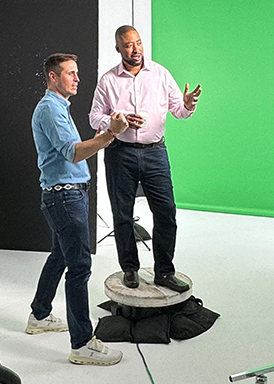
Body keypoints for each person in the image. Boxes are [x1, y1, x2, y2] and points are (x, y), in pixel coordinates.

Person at [28, 53, 128, 365]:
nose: (77, 78)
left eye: (77, 73)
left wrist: (108, 132)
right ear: (53, 78)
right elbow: (73, 153)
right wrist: (110, 133)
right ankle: (82, 344)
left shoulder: (58, 107)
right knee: (80, 267)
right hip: (65, 198)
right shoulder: (50, 110)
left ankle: (39, 316)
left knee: (60, 256)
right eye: (71, 73)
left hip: (65, 196)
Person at [89, 25, 201, 291]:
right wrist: (120, 120)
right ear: (118, 49)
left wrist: (187, 104)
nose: (135, 49)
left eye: (138, 43)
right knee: (122, 215)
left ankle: (164, 271)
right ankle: (130, 268)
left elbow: (179, 111)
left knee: (166, 213)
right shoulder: (108, 80)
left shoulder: (160, 74)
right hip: (120, 154)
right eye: (128, 45)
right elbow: (94, 117)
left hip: (155, 152)